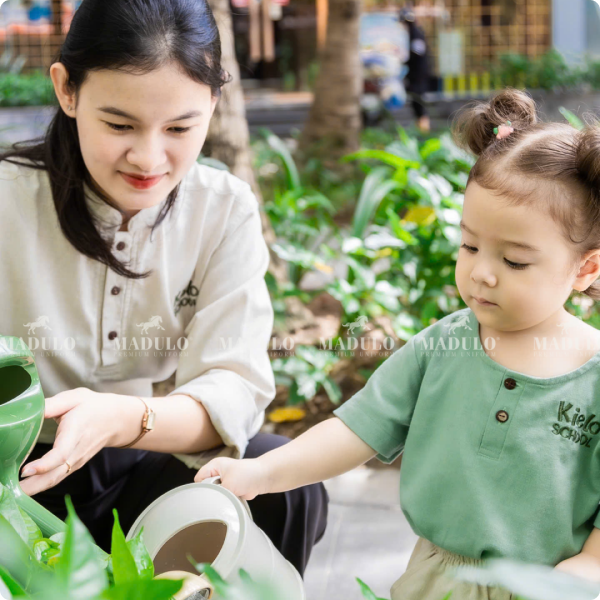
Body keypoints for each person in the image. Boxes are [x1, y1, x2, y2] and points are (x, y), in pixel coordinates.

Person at [196, 88, 600, 598]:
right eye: (469, 245)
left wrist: (585, 571)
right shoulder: (444, 346)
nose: (481, 272)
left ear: (585, 268)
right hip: (434, 579)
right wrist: (262, 472)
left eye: (514, 261)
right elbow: (358, 429)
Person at [1, 0, 328, 577]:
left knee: (281, 481)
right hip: (14, 479)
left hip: (144, 461)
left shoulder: (222, 210)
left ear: (214, 104)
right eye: (119, 125)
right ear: (67, 89)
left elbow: (232, 390)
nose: (149, 158)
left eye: (179, 128)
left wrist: (123, 419)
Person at [399, 6, 431, 133]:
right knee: (415, 101)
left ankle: (424, 129)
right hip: (415, 74)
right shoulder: (412, 34)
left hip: (418, 75)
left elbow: (417, 54)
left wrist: (404, 61)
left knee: (418, 102)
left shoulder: (416, 34)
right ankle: (421, 128)